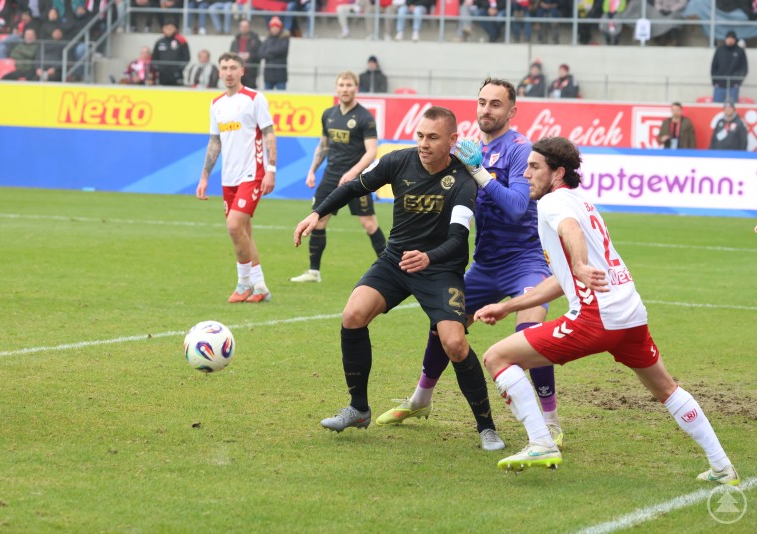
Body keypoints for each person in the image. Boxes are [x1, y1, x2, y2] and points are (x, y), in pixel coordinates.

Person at [474, 136, 740, 486]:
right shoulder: (582, 201)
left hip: (595, 318)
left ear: (558, 172)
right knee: (667, 388)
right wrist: (509, 306)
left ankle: (541, 442)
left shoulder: (554, 203)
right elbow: (561, 278)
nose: (525, 174)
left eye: (534, 167)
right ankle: (722, 465)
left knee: (496, 358)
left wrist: (581, 265)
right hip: (630, 314)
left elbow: (569, 234)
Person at [377, 79, 563, 452]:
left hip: (524, 261)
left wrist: (479, 173)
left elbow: (514, 209)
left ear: (511, 111)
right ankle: (420, 400)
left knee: (531, 330)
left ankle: (550, 419)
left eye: (495, 104)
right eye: (481, 102)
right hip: (485, 263)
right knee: (445, 325)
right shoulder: (468, 149)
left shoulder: (519, 149)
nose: (486, 110)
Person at [294, 106, 492, 438]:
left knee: (455, 344)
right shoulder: (398, 160)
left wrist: (429, 258)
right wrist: (318, 213)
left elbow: (459, 239)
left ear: (453, 140)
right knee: (353, 314)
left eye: (433, 137)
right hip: (395, 262)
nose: (424, 144)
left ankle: (487, 426)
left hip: (440, 269)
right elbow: (354, 187)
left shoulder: (462, 179)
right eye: (420, 136)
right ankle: (358, 409)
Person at [290, 71, 387, 284]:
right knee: (318, 220)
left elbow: (371, 151)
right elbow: (323, 145)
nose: (345, 88)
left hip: (356, 179)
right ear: (337, 88)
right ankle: (313, 272)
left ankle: (391, 270)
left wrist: (353, 173)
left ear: (356, 88)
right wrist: (312, 169)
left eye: (349, 85)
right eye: (341, 84)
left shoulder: (364, 117)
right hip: (330, 175)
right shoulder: (329, 114)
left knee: (369, 224)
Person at [195, 52, 277, 304]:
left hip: (252, 174)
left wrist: (271, 170)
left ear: (242, 70)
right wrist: (205, 176)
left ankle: (243, 283)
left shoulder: (254, 99)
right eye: (224, 68)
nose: (228, 72)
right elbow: (215, 142)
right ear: (219, 72)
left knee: (233, 226)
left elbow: (269, 134)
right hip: (228, 178)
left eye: (233, 67)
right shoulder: (216, 104)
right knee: (244, 231)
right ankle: (260, 286)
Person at [710, 30, 748, 103]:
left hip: (733, 86)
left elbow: (744, 68)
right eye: (728, 38)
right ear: (725, 39)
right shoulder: (719, 50)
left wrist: (738, 82)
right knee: (716, 106)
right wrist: (714, 81)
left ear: (735, 39)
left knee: (731, 107)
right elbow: (713, 67)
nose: (730, 40)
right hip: (719, 85)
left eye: (732, 38)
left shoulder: (740, 51)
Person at [151, 21, 190, 86]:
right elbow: (154, 58)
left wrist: (178, 69)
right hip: (163, 75)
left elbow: (186, 57)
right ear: (163, 29)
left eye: (171, 28)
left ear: (175, 29)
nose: (168, 30)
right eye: (166, 28)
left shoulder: (181, 41)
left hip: (177, 74)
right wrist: (159, 69)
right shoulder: (159, 42)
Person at [229, 19, 261, 89]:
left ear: (249, 27)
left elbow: (260, 55)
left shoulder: (256, 41)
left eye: (245, 26)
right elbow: (230, 56)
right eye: (242, 26)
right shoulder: (235, 41)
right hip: (237, 73)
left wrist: (250, 56)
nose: (243, 28)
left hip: (251, 74)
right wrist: (237, 56)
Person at [259, 16, 289, 91]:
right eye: (273, 27)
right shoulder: (267, 40)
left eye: (276, 27)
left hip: (280, 75)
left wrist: (269, 51)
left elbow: (282, 50)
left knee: (282, 98)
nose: (275, 29)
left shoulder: (284, 39)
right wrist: (272, 52)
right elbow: (260, 53)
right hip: (268, 75)